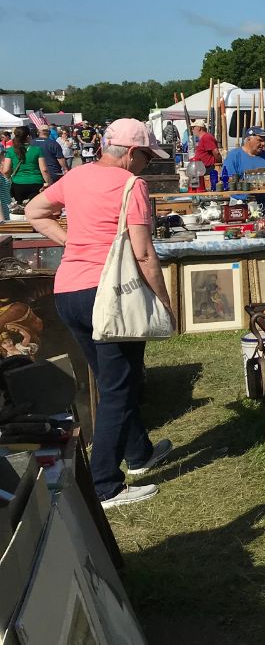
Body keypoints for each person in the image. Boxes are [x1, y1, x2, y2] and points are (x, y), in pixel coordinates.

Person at [24, 118, 174, 509]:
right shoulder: (132, 186)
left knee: (111, 379)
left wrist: (70, 240)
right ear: (129, 153)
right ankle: (105, 484)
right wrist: (163, 301)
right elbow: (143, 253)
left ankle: (139, 454)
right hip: (108, 295)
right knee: (119, 385)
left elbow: (34, 210)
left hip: (68, 291)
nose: (146, 164)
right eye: (145, 156)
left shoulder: (75, 176)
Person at [0, 126, 51, 215]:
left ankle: (23, 226)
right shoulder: (37, 150)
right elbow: (44, 169)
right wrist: (48, 183)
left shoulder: (11, 150)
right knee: (36, 210)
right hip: (36, 183)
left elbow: (6, 170)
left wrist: (9, 180)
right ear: (28, 136)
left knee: (20, 210)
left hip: (18, 184)